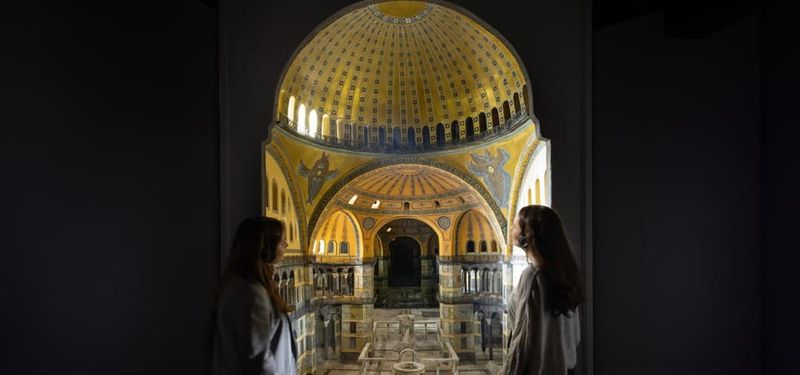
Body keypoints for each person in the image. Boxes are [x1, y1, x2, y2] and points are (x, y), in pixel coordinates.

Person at [502, 205, 583, 375]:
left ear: (527, 235)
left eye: (516, 225)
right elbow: (574, 337)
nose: (511, 228)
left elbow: (522, 340)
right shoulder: (564, 271)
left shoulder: (533, 276)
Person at [212, 217, 297, 375]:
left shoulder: (246, 288)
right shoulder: (250, 296)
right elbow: (259, 363)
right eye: (282, 241)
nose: (286, 245)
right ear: (266, 248)